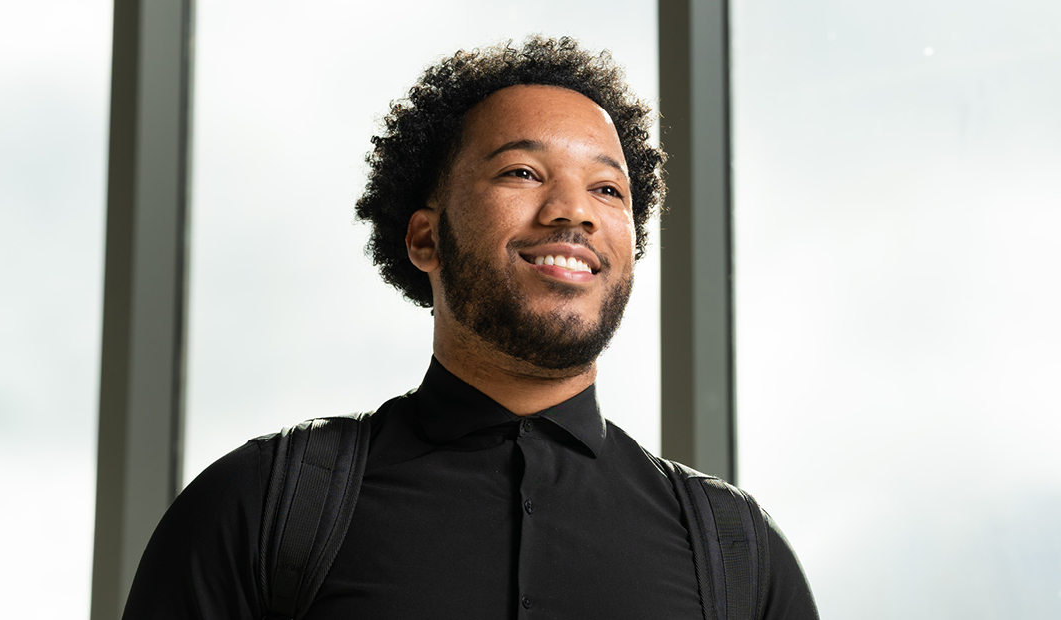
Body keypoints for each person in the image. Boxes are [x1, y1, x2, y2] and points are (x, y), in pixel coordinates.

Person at [122, 36, 819, 619]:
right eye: (522, 171)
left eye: (608, 189)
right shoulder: (254, 510)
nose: (572, 212)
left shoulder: (741, 559)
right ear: (424, 239)